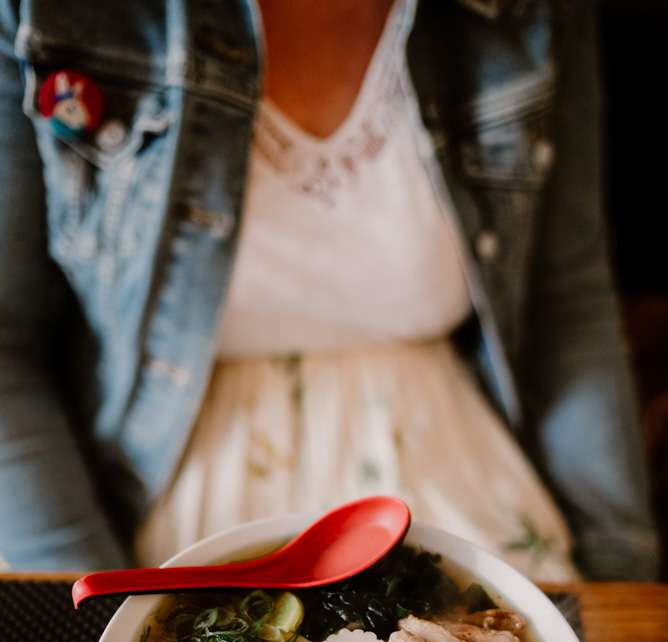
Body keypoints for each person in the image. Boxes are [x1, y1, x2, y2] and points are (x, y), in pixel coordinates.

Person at [0, 0, 659, 580]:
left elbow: (567, 305)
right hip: (152, 491)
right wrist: (79, 607)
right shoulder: (41, 15)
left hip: (459, 467)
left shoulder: (531, 12)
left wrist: (621, 571)